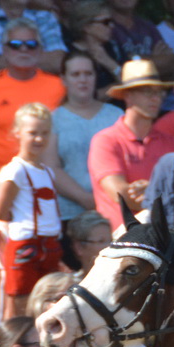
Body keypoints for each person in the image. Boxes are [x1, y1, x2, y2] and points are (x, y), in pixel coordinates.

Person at [0, 104, 81, 318]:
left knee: (48, 304)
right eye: (32, 133)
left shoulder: (47, 171)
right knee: (19, 305)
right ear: (18, 133)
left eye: (44, 133)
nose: (39, 139)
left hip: (49, 246)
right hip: (26, 246)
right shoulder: (15, 170)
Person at [0, 20, 66, 206]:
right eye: (15, 45)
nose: (24, 50)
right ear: (4, 50)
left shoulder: (58, 86)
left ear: (41, 50)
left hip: (47, 187)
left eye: (31, 44)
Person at [86, 59, 174, 227]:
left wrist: (151, 190)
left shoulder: (173, 143)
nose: (156, 98)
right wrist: (165, 193)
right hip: (121, 243)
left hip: (164, 241)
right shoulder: (105, 141)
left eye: (158, 91)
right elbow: (121, 195)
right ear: (128, 96)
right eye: (147, 92)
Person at [50, 52, 125, 222]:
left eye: (88, 74)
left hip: (115, 211)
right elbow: (51, 168)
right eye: (75, 74)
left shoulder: (116, 115)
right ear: (63, 79)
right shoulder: (53, 120)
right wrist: (86, 199)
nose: (82, 80)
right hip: (71, 214)